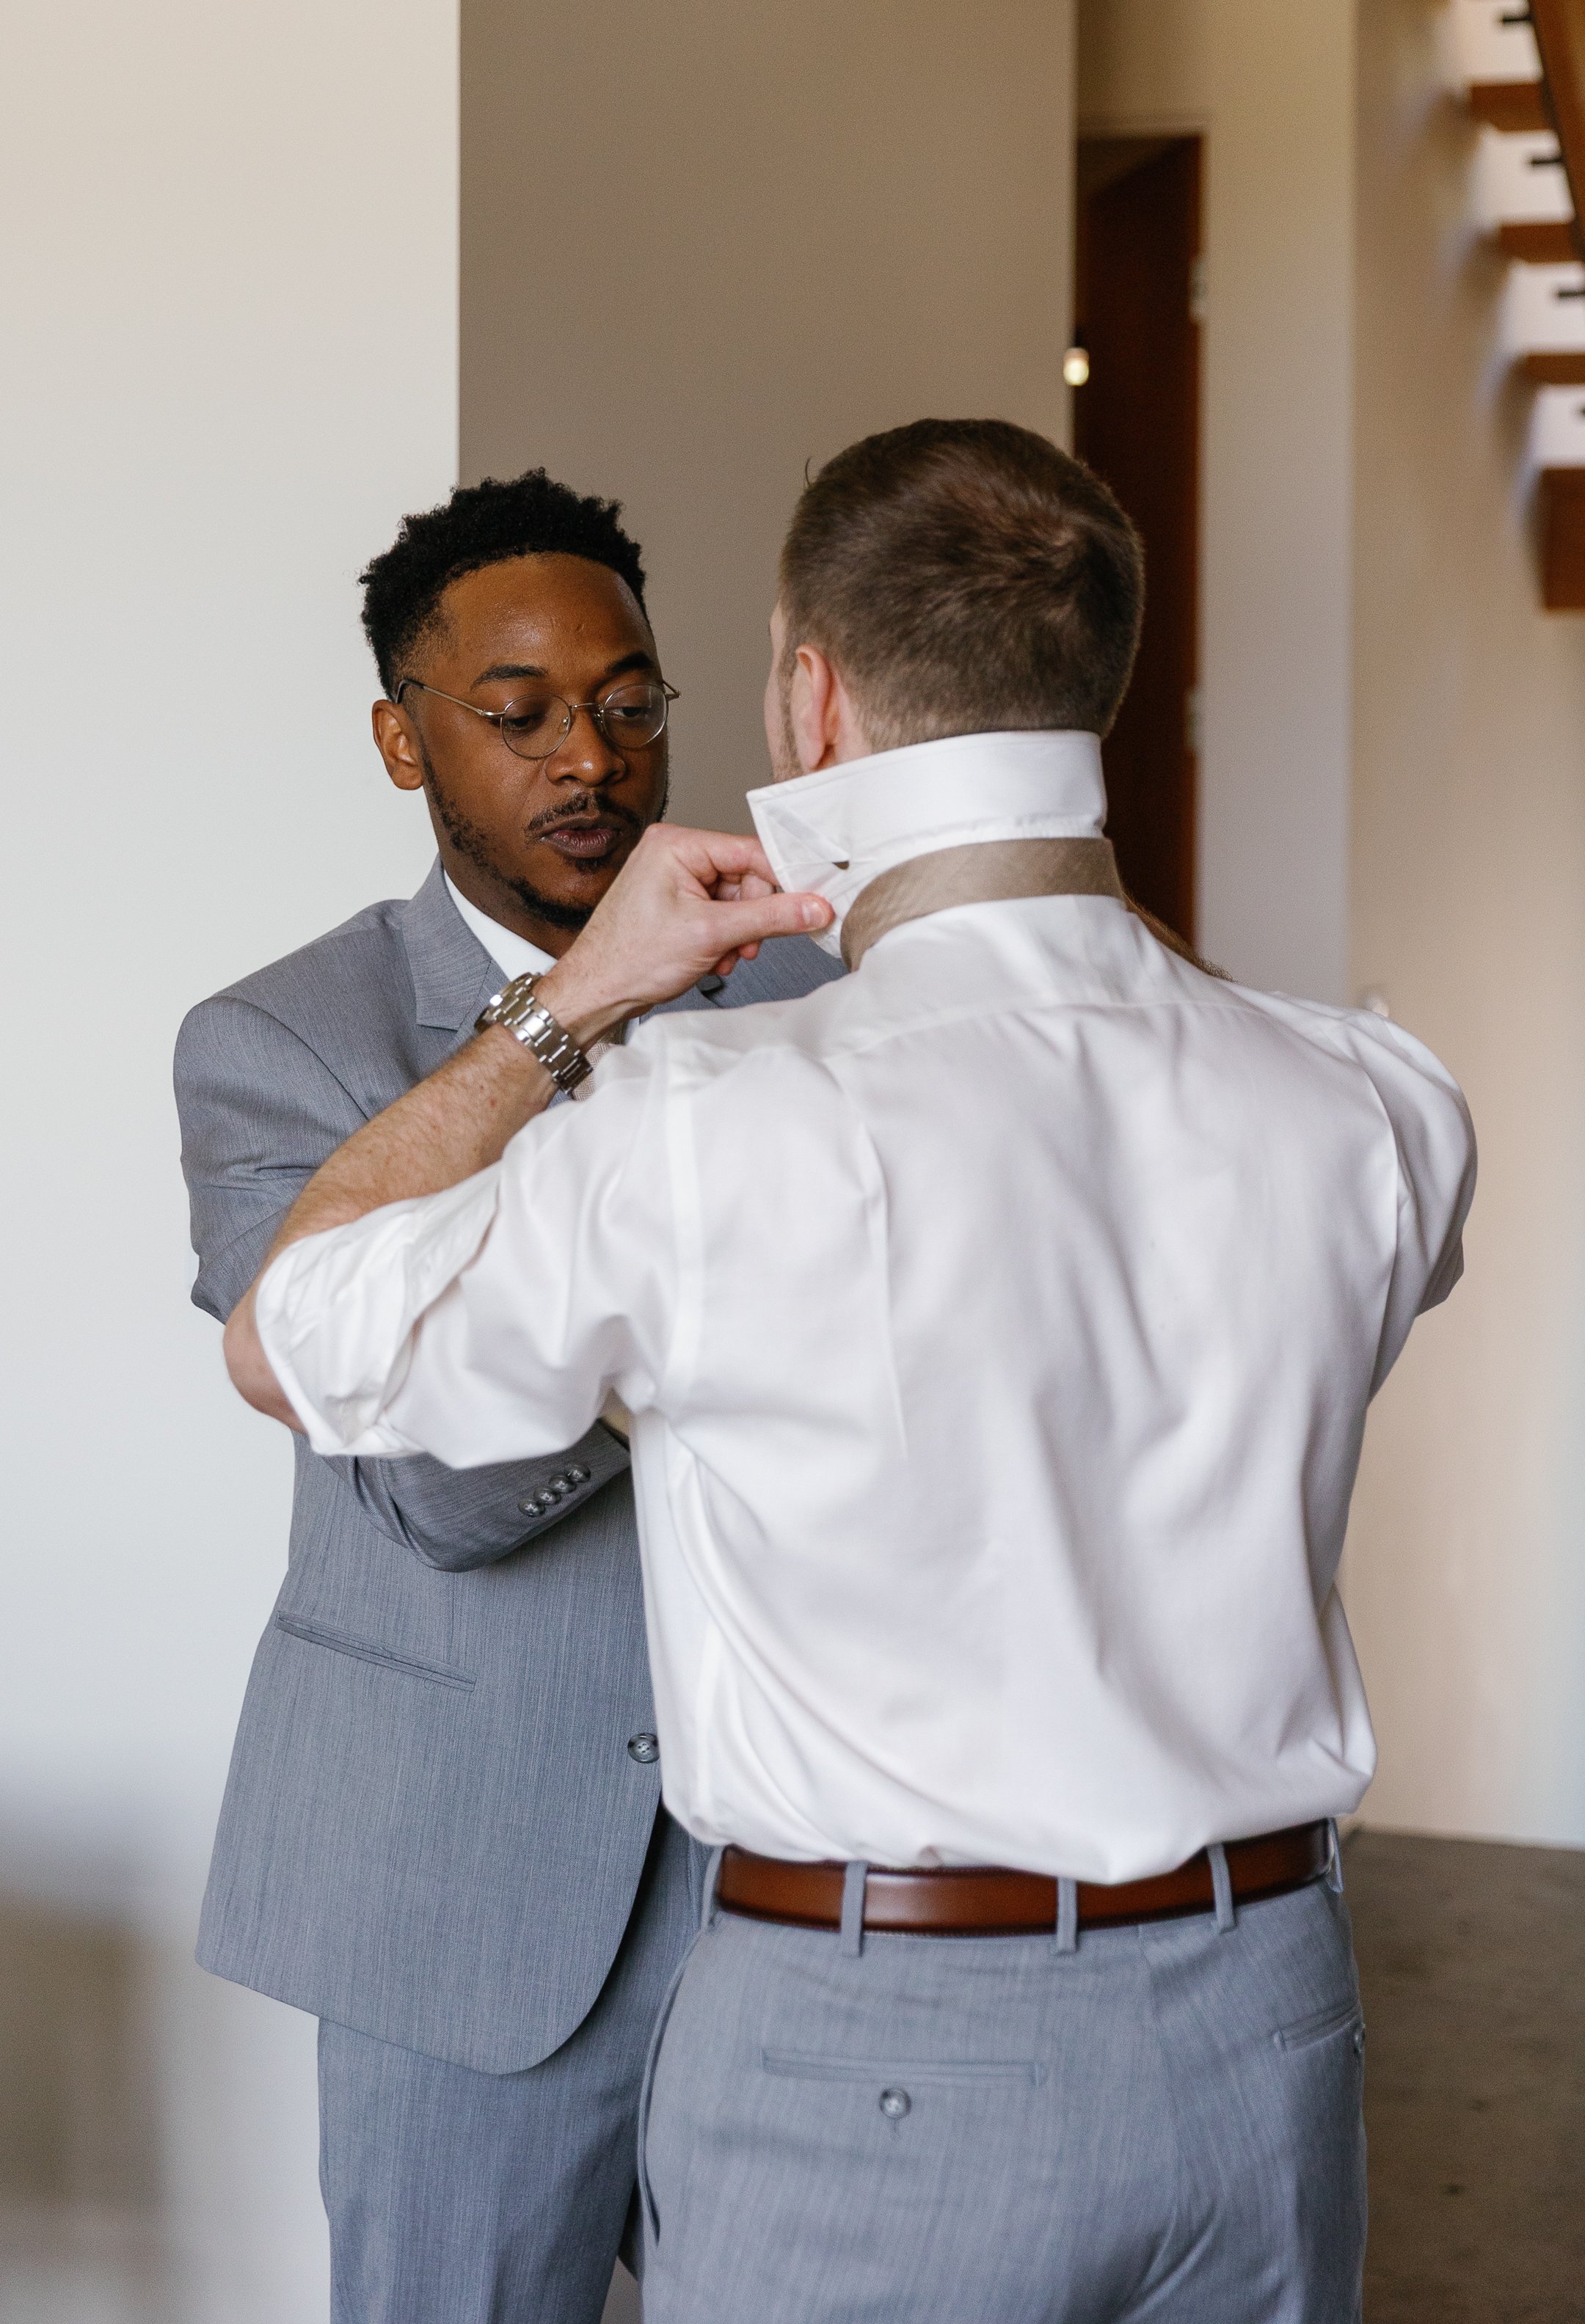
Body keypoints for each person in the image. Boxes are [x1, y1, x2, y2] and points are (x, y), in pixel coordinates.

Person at [219, 420, 1476, 2323]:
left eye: (636, 699)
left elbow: (295, 1323)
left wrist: (593, 1093)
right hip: (1265, 2027)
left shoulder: (721, 1118)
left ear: (804, 701)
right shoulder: (1378, 1104)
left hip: (872, 2040)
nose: (591, 752)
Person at [172, 469, 841, 2324]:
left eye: (631, 704)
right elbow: (437, 1487)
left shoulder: (800, 993)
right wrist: (580, 1020)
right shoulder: (276, 1043)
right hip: (451, 1888)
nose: (593, 761)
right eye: (520, 714)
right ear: (404, 742)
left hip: (784, 1893)